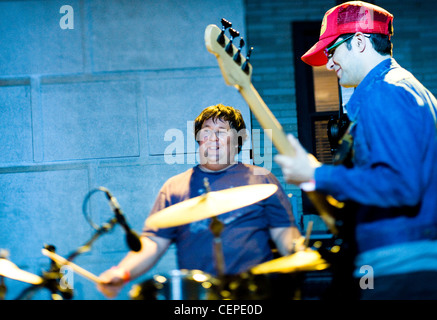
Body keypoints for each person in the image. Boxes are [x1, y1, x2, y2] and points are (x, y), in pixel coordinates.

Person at [275, 1, 437, 300]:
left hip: (400, 267)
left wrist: (317, 174)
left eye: (332, 51)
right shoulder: (408, 89)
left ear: (359, 42)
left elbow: (401, 185)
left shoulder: (385, 92)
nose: (328, 63)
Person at [97, 104, 303, 298]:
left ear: (238, 140)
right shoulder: (175, 187)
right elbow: (153, 242)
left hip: (255, 292)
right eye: (206, 131)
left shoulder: (262, 179)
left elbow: (284, 231)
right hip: (199, 295)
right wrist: (122, 272)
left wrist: (299, 254)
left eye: (222, 131)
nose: (213, 138)